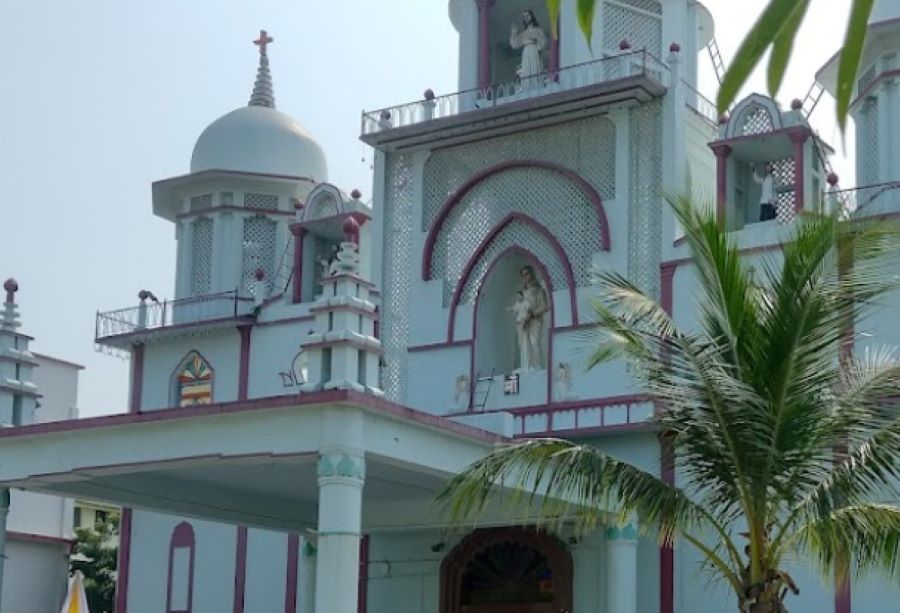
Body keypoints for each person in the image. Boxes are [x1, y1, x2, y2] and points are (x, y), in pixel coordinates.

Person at [515, 265, 550, 370]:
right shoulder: (522, 292)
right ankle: (526, 366)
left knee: (534, 342)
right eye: (523, 275)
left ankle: (537, 367)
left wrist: (532, 315)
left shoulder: (538, 289)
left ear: (532, 274)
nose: (525, 277)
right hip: (523, 322)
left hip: (535, 320)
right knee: (523, 344)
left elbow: (545, 306)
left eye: (527, 274)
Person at [510, 11, 546, 88]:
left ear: (532, 16)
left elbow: (543, 42)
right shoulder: (523, 34)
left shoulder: (538, 30)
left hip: (534, 51)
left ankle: (536, 86)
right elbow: (515, 45)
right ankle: (526, 87)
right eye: (524, 16)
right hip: (526, 53)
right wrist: (514, 33)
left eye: (528, 15)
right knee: (526, 71)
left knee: (535, 70)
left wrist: (536, 44)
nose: (526, 18)